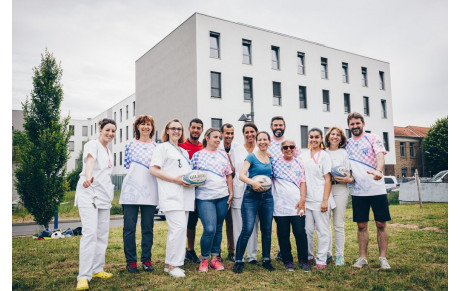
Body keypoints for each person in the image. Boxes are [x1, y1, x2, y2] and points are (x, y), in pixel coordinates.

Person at [345, 112, 391, 270]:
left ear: (363, 124)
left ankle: (383, 258)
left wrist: (379, 171)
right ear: (349, 126)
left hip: (377, 189)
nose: (355, 126)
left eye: (358, 123)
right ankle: (363, 258)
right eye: (352, 124)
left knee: (381, 224)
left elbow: (380, 156)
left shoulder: (373, 138)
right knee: (361, 226)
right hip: (358, 192)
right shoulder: (348, 143)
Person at [150, 119, 195, 278]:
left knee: (181, 230)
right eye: (173, 128)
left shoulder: (182, 151)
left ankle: (175, 263)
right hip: (171, 194)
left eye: (179, 129)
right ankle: (171, 265)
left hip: (185, 195)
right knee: (178, 229)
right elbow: (154, 170)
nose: (176, 131)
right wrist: (175, 180)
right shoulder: (162, 148)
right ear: (167, 130)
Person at [75, 118, 116, 291]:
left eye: (113, 131)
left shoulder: (108, 151)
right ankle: (83, 276)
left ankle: (97, 269)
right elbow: (90, 161)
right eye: (107, 130)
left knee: (102, 234)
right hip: (89, 192)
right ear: (100, 129)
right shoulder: (92, 144)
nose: (110, 133)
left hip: (104, 196)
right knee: (90, 234)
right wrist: (87, 177)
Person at [119, 115, 158, 274]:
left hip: (150, 191)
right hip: (130, 192)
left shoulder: (157, 147)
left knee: (147, 228)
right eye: (142, 124)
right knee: (129, 228)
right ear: (137, 127)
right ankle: (131, 261)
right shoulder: (129, 146)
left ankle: (146, 260)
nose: (145, 127)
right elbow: (128, 166)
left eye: (148, 124)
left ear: (152, 128)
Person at [191, 128, 234, 272]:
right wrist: (193, 198)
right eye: (215, 137)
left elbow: (228, 175)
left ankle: (215, 259)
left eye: (219, 138)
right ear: (207, 138)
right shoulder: (198, 156)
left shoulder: (223, 155)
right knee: (209, 229)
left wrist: (231, 193)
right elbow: (193, 177)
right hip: (204, 197)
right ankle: (204, 259)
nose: (218, 140)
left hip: (222, 196)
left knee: (218, 227)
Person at [233, 131, 275, 273]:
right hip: (251, 197)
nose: (262, 142)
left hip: (267, 198)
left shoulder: (270, 158)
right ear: (257, 142)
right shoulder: (251, 157)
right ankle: (238, 261)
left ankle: (266, 260)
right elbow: (241, 175)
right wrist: (253, 183)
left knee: (267, 230)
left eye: (265, 139)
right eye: (260, 140)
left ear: (269, 142)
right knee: (247, 229)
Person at [272, 139, 310, 272]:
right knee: (283, 234)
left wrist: (303, 199)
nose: (289, 149)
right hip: (280, 206)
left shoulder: (300, 162)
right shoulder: (275, 163)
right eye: (285, 147)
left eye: (291, 147)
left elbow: (303, 182)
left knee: (300, 232)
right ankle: (287, 260)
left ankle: (304, 261)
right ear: (281, 150)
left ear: (295, 148)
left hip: (298, 205)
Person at [266, 116, 300, 262]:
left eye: (280, 125)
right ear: (271, 127)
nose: (278, 127)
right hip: (274, 186)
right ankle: (282, 250)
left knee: (293, 223)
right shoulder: (268, 143)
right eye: (275, 125)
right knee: (280, 221)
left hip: (290, 187)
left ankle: (287, 251)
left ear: (284, 127)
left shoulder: (290, 143)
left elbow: (297, 162)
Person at [300, 128, 334, 270]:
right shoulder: (303, 155)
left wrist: (325, 200)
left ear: (321, 139)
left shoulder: (324, 156)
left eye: (316, 137)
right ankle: (309, 257)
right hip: (307, 200)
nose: (313, 139)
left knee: (322, 231)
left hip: (321, 199)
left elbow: (328, 179)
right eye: (311, 137)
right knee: (307, 230)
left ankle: (322, 259)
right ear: (308, 138)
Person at [227, 122, 260, 266]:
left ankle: (252, 256)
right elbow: (232, 171)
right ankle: (238, 254)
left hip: (256, 192)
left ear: (256, 133)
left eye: (252, 131)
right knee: (239, 225)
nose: (249, 135)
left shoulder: (261, 149)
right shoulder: (236, 150)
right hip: (239, 190)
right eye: (246, 132)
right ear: (243, 134)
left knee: (253, 224)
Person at [324, 127, 354, 266]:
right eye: (332, 134)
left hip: (341, 189)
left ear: (341, 139)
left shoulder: (344, 153)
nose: (335, 137)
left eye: (338, 135)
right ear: (328, 137)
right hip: (326, 190)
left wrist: (349, 179)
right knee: (325, 223)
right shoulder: (323, 153)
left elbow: (350, 173)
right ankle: (327, 253)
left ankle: (340, 256)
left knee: (338, 224)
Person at [179, 118, 204, 264]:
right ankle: (189, 250)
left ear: (201, 130)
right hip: (187, 189)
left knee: (207, 222)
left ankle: (211, 252)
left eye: (198, 128)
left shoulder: (203, 147)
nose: (196, 130)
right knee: (190, 223)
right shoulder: (182, 147)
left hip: (203, 190)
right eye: (193, 127)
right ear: (189, 128)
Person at [217, 123, 238, 262]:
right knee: (217, 223)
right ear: (222, 134)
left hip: (231, 190)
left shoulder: (237, 148)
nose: (229, 136)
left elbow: (234, 171)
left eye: (231, 133)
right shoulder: (216, 147)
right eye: (227, 133)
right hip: (218, 191)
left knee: (231, 224)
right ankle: (216, 252)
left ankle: (232, 250)